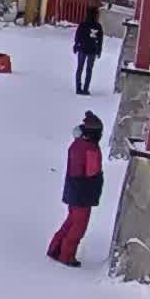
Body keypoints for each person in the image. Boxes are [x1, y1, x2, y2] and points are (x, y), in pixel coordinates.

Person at [47, 112, 105, 268]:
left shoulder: (77, 144)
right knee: (79, 227)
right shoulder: (91, 148)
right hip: (83, 193)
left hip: (73, 189)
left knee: (70, 221)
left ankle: (55, 248)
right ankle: (67, 255)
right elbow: (92, 172)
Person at [73, 7, 104, 95]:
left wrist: (76, 45)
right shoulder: (98, 26)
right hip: (92, 50)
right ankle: (86, 89)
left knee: (79, 68)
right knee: (89, 70)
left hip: (82, 49)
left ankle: (78, 88)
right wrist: (99, 50)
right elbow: (100, 39)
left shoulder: (83, 24)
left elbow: (77, 36)